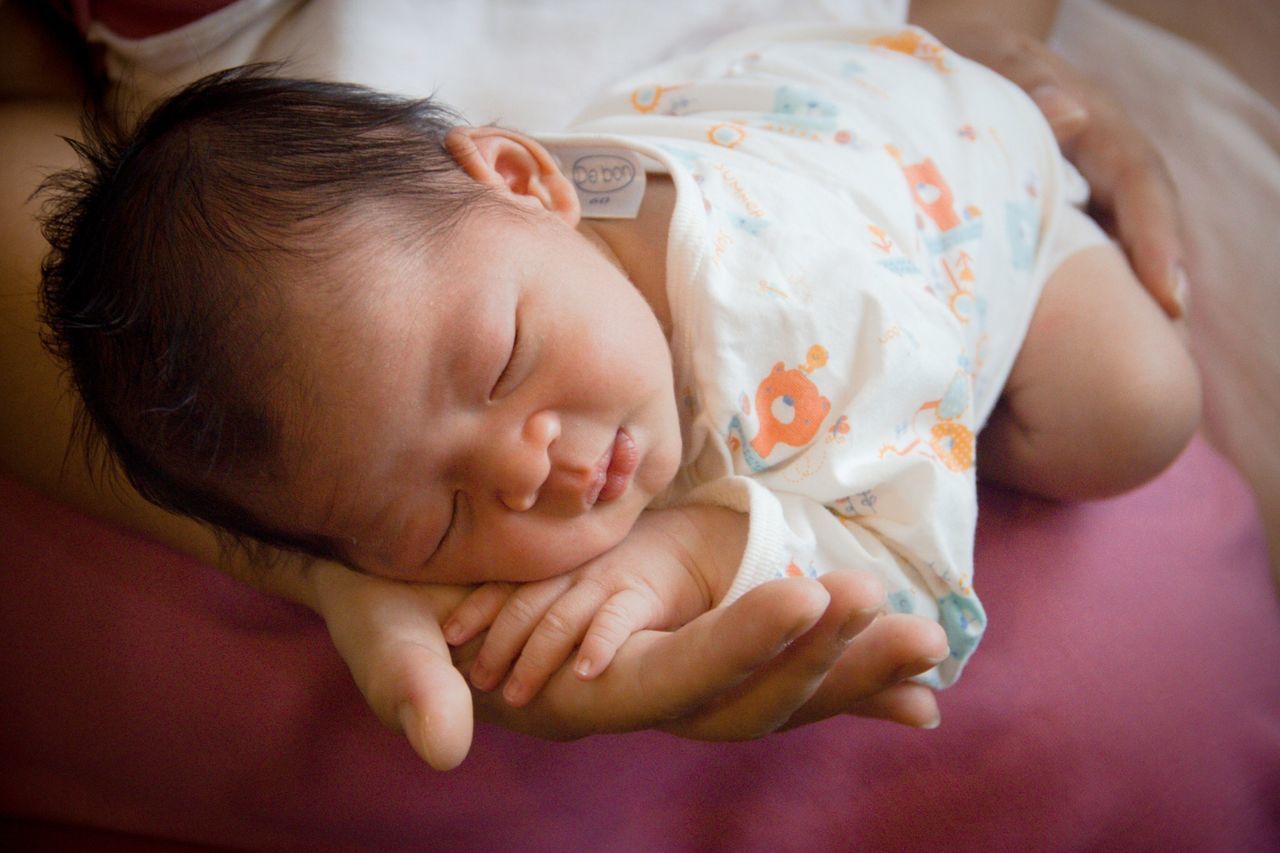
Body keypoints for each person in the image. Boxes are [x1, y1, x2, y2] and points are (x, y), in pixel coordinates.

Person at [0, 0, 1197, 773]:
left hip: (971, 181)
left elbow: (921, 602)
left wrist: (691, 556)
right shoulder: (507, 237)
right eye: (437, 518)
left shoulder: (785, 317)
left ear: (527, 172)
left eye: (504, 362)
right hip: (801, 82)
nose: (530, 465)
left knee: (1137, 414)